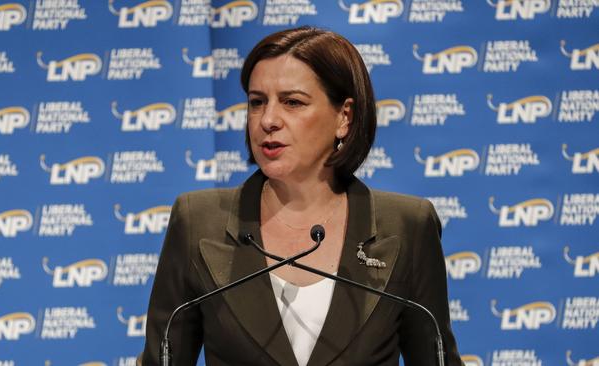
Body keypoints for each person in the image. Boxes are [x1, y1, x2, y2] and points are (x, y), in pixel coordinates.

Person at [141, 27, 463, 366]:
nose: (267, 120)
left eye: (292, 102)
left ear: (344, 117)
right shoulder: (198, 222)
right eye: (257, 102)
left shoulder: (407, 226)